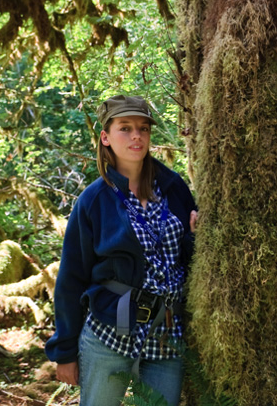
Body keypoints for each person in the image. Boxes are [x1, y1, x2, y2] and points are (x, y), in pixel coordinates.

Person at [45, 94, 198, 406]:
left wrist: (197, 238)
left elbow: (191, 254)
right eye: (125, 128)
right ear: (105, 137)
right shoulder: (93, 200)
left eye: (143, 128)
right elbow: (71, 278)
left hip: (168, 337)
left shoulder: (173, 188)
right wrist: (64, 352)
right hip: (109, 334)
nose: (136, 136)